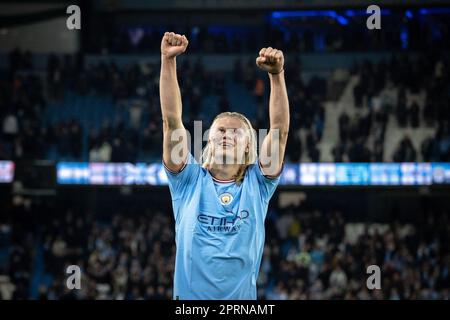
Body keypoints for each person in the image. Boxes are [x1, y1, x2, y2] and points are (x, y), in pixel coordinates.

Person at [160, 32, 289, 299]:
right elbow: (172, 121)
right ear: (208, 140)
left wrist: (277, 76)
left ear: (248, 145)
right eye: (220, 131)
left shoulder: (259, 183)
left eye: (236, 132)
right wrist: (167, 61)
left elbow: (279, 131)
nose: (227, 135)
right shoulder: (187, 180)